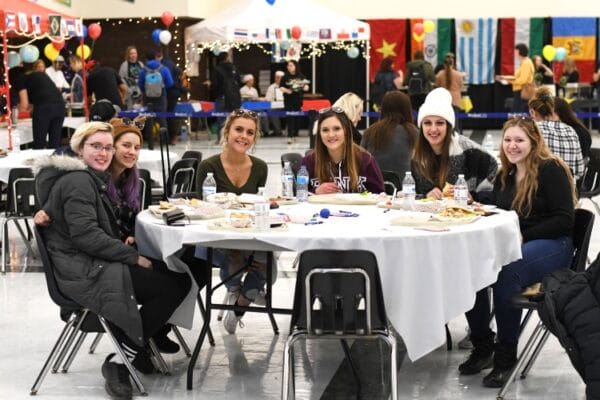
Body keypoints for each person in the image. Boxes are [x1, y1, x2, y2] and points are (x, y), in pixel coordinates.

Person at [34, 122, 191, 398]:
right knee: (173, 285)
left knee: (175, 277)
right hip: (85, 271)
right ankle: (120, 361)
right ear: (80, 149)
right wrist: (132, 257)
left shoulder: (87, 179)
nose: (103, 153)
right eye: (95, 146)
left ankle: (135, 347)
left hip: (88, 262)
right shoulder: (79, 182)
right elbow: (87, 237)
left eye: (107, 147)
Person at [460, 116, 576, 388]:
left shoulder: (551, 170)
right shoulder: (507, 173)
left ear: (534, 142)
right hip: (520, 243)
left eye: (519, 140)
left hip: (554, 244)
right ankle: (482, 343)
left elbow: (564, 219)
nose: (512, 146)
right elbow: (502, 204)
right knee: (472, 267)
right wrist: (474, 200)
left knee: (507, 271)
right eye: (508, 140)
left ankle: (506, 355)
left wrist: (525, 235)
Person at [194, 109, 273, 334]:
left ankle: (239, 303)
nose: (244, 136)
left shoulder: (260, 167)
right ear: (227, 132)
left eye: (250, 132)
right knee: (234, 259)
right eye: (238, 129)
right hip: (215, 235)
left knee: (269, 267)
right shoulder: (208, 167)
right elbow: (203, 210)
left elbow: (257, 203)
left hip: (248, 232)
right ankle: (241, 289)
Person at [411, 88, 497, 199]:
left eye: (440, 123)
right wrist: (427, 193)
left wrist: (474, 197)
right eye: (427, 123)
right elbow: (415, 193)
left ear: (448, 126)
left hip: (466, 212)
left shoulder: (464, 148)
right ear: (421, 126)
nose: (433, 129)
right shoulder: (417, 154)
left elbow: (493, 168)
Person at [301, 107, 385, 194]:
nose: (331, 135)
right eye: (325, 130)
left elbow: (380, 196)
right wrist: (316, 191)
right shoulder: (308, 162)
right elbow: (298, 195)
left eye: (337, 129)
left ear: (346, 131)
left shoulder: (366, 160)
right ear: (319, 134)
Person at [528, 87, 584, 180]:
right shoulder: (571, 130)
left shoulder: (532, 130)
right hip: (568, 189)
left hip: (539, 188)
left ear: (532, 112)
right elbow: (580, 170)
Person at [362, 91, 417, 182]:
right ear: (407, 109)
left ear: (383, 108)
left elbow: (362, 159)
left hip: (374, 186)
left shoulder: (370, 132)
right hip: (405, 187)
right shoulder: (413, 132)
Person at [15, 67, 65, 149]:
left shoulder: (20, 79)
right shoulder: (40, 75)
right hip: (60, 106)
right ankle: (54, 161)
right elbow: (32, 103)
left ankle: (40, 161)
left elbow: (24, 105)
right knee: (54, 143)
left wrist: (14, 113)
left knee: (39, 144)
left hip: (44, 108)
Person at [137, 51, 174, 150]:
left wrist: (146, 91)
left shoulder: (143, 70)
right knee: (162, 119)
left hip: (148, 98)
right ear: (155, 57)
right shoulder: (163, 68)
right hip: (161, 97)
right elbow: (170, 83)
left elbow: (140, 83)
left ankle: (150, 141)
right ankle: (164, 140)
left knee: (148, 119)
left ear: (146, 59)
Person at [210, 52, 242, 144]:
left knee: (221, 119)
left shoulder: (217, 69)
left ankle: (221, 139)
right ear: (227, 58)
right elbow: (239, 81)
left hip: (221, 97)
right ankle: (234, 138)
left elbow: (215, 85)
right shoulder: (234, 68)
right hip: (234, 97)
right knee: (234, 119)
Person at [496, 43, 534, 113]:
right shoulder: (524, 62)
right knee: (516, 112)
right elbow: (516, 77)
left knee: (518, 113)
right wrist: (504, 77)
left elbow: (522, 80)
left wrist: (509, 81)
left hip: (522, 91)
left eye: (516, 51)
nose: (515, 53)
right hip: (519, 91)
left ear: (520, 51)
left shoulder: (526, 63)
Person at [280, 60, 309, 144]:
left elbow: (306, 85)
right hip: (288, 100)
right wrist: (286, 90)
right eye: (288, 65)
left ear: (296, 66)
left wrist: (305, 87)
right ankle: (290, 136)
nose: (289, 67)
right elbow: (281, 87)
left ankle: (295, 135)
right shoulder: (285, 76)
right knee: (290, 118)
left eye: (291, 65)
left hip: (298, 100)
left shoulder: (300, 76)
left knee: (297, 117)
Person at [118, 46, 145, 110]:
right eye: (131, 53)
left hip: (140, 91)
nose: (134, 55)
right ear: (128, 55)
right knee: (130, 110)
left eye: (135, 53)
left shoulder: (140, 64)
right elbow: (120, 79)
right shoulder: (124, 65)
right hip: (130, 91)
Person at [264, 70, 285, 137]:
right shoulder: (271, 87)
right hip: (275, 106)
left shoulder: (286, 86)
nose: (278, 79)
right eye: (277, 77)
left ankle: (292, 132)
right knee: (271, 111)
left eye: (280, 77)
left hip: (286, 106)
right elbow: (267, 99)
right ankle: (278, 131)